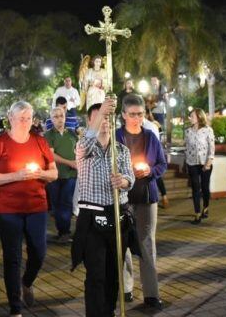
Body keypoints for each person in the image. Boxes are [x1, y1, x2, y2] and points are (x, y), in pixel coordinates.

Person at [0, 101, 57, 317]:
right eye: (20, 118)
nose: (25, 122)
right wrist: (16, 176)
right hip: (7, 209)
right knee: (12, 257)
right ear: (10, 118)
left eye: (28, 118)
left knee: (39, 252)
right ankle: (15, 307)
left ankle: (27, 281)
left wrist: (40, 174)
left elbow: (53, 174)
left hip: (36, 206)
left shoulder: (40, 142)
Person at [71, 99, 135, 317]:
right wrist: (101, 112)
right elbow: (86, 142)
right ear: (90, 121)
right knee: (96, 273)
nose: (104, 122)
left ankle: (109, 311)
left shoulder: (121, 150)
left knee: (113, 273)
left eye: (108, 117)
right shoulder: (83, 148)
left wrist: (124, 182)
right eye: (99, 117)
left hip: (118, 215)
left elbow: (130, 176)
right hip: (92, 217)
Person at [118, 93, 167, 310]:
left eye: (140, 114)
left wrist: (150, 170)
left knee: (147, 243)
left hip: (147, 196)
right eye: (132, 114)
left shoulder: (151, 137)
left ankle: (151, 294)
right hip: (122, 198)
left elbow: (162, 164)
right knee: (124, 245)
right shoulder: (116, 136)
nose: (136, 118)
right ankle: (126, 288)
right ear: (123, 115)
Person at [44, 106, 79, 242]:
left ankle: (64, 232)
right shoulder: (49, 135)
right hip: (55, 175)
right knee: (57, 204)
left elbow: (78, 150)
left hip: (70, 175)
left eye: (61, 116)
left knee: (66, 203)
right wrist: (70, 162)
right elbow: (51, 155)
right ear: (51, 119)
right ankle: (62, 231)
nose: (59, 119)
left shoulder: (72, 134)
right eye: (56, 116)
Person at [185, 108, 215, 223]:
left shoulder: (208, 130)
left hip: (205, 163)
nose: (190, 118)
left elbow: (211, 148)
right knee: (195, 188)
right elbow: (187, 148)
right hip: (192, 163)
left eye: (192, 116)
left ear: (199, 117)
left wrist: (208, 162)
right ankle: (197, 213)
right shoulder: (188, 131)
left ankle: (205, 207)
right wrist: (186, 162)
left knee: (205, 187)